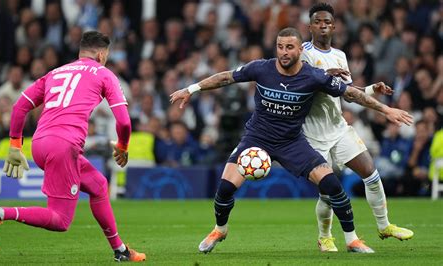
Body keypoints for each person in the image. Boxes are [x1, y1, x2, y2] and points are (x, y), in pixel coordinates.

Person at [170, 27, 413, 254]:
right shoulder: (261, 68)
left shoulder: (314, 76)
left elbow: (350, 92)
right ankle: (219, 230)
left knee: (331, 185)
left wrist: (386, 110)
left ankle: (352, 240)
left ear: (300, 50)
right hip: (257, 138)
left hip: (291, 142)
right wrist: (191, 89)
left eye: (289, 47)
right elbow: (226, 77)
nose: (284, 52)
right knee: (224, 189)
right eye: (280, 47)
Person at [0, 31, 146, 262]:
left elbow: (19, 108)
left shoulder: (55, 72)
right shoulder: (104, 74)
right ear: (101, 54)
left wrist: (15, 145)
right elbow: (125, 121)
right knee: (60, 220)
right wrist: (123, 146)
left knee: (98, 185)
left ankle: (121, 250)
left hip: (40, 143)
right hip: (64, 146)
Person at [301, 3, 414, 252]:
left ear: (334, 26)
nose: (323, 25)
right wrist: (326, 75)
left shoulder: (340, 55)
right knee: (327, 192)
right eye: (318, 21)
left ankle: (384, 226)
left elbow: (348, 93)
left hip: (338, 127)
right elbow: (304, 85)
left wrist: (373, 89)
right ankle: (325, 237)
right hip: (313, 134)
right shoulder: (302, 54)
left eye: (327, 22)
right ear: (310, 26)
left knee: (371, 173)